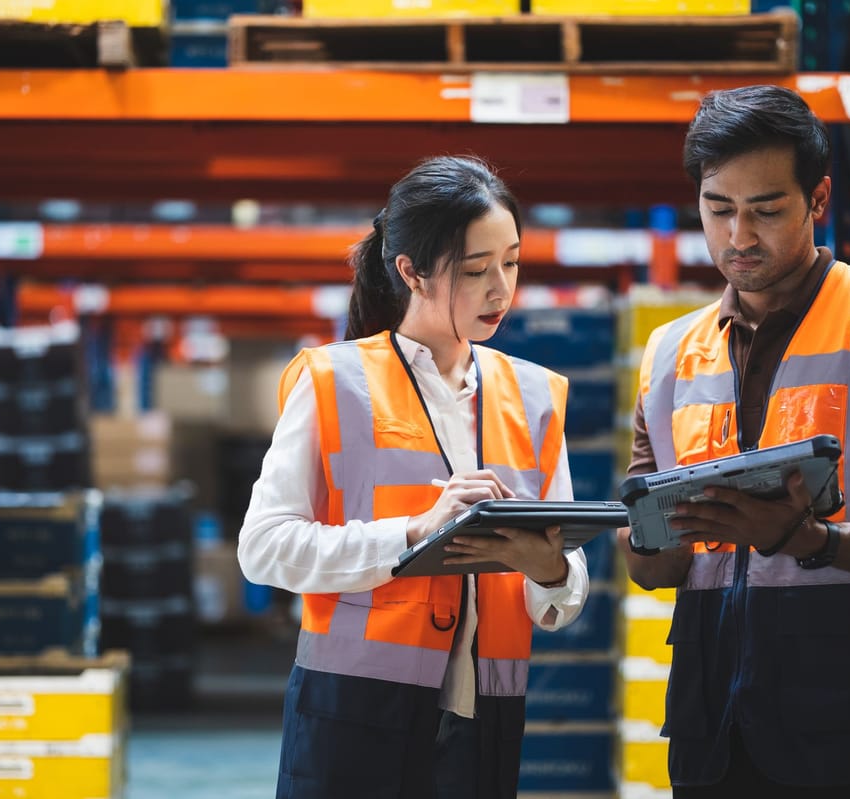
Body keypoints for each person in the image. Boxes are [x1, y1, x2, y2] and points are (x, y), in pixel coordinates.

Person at [617, 85, 850, 798]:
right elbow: (654, 567)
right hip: (712, 734)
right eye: (718, 209)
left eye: (765, 210)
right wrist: (641, 539)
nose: (738, 237)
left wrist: (812, 538)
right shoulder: (670, 353)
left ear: (818, 200)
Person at [238, 155, 590, 799]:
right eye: (476, 270)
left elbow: (562, 587)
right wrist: (412, 534)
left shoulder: (536, 396)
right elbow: (262, 548)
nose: (500, 290)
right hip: (352, 708)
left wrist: (550, 571)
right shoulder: (332, 382)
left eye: (511, 262)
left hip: (486, 717)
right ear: (411, 272)